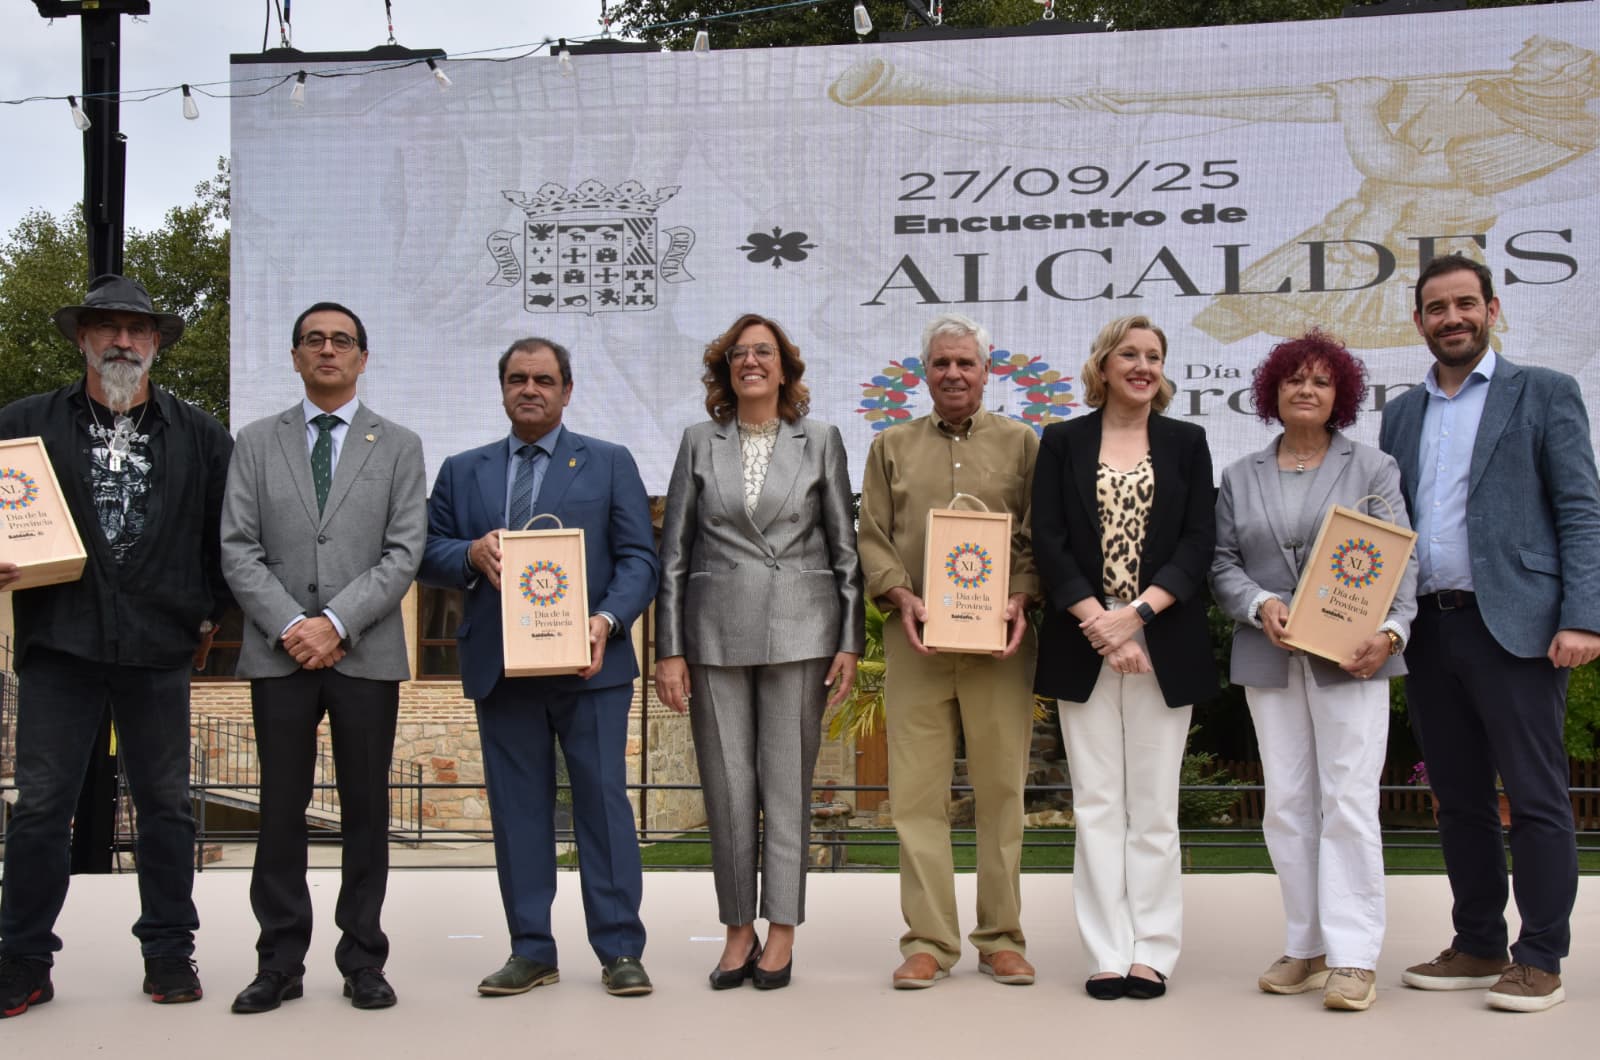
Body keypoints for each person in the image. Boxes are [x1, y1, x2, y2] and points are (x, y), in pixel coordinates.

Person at [0, 274, 232, 1017]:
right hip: (60, 645)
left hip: (158, 650)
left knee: (166, 808)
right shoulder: (21, 428)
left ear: (157, 342)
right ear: (82, 339)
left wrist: (208, 618)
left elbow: (226, 540)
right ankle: (22, 961)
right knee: (40, 810)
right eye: (108, 328)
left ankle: (169, 953)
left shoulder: (199, 434)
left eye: (138, 329)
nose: (123, 341)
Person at [1379, 253, 1600, 1013]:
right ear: (1418, 321)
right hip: (1429, 632)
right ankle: (1478, 943)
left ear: (1492, 309)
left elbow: (1580, 508)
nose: (1452, 318)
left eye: (1465, 304)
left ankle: (1541, 955)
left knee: (1535, 797)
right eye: (1436, 308)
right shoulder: (1402, 413)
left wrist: (1583, 616)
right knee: (1460, 799)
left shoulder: (1544, 393)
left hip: (1519, 628)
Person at [420, 337, 660, 998]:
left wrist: (604, 622)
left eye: (545, 379)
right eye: (519, 378)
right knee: (519, 813)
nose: (532, 388)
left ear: (566, 390)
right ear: (502, 388)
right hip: (503, 669)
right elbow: (427, 552)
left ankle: (619, 950)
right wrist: (470, 554)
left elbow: (641, 559)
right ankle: (531, 949)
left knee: (604, 808)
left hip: (589, 667)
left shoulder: (609, 463)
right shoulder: (463, 471)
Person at [220, 303, 426, 1014]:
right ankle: (278, 960)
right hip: (280, 656)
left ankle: (363, 957)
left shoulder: (398, 445)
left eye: (342, 341)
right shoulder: (254, 442)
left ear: (363, 358)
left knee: (367, 810)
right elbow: (236, 548)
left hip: (363, 653)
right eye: (315, 340)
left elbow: (404, 552)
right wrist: (291, 626)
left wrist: (336, 621)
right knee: (281, 809)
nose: (328, 350)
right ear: (295, 356)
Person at [655, 313, 864, 991]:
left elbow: (845, 550)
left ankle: (781, 932)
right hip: (713, 634)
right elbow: (674, 555)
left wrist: (849, 640)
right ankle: (737, 929)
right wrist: (669, 649)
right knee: (727, 788)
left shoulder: (822, 439)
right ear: (725, 369)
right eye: (739, 353)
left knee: (785, 786)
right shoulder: (696, 441)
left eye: (764, 353)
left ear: (784, 368)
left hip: (802, 630)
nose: (751, 362)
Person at [1211, 331, 1416, 1011]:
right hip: (1269, 657)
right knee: (1288, 805)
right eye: (1293, 379)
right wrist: (1258, 603)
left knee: (1349, 803)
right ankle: (1307, 944)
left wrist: (1390, 632)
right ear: (1272, 391)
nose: (1306, 389)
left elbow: (1401, 560)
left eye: (1321, 381)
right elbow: (1221, 565)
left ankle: (1355, 958)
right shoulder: (1240, 475)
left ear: (1342, 396)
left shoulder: (1374, 469)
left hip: (1352, 662)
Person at [1030, 314, 1215, 1001]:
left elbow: (1199, 543)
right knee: (1098, 806)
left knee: (1155, 808)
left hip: (1162, 643)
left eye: (1155, 356)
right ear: (1104, 364)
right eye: (1130, 354)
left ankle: (1153, 951)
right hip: (1086, 647)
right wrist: (1100, 626)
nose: (1143, 365)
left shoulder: (1188, 443)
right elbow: (1048, 541)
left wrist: (1135, 619)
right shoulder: (1062, 442)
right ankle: (1106, 951)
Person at [857, 312, 1038, 990]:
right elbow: (872, 532)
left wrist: (1021, 593)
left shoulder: (1022, 444)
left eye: (966, 363)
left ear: (987, 372)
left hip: (1001, 644)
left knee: (1001, 791)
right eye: (941, 363)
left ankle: (1001, 938)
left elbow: (1034, 536)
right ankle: (929, 940)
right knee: (916, 796)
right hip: (916, 641)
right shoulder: (891, 447)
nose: (954, 374)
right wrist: (899, 594)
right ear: (923, 372)